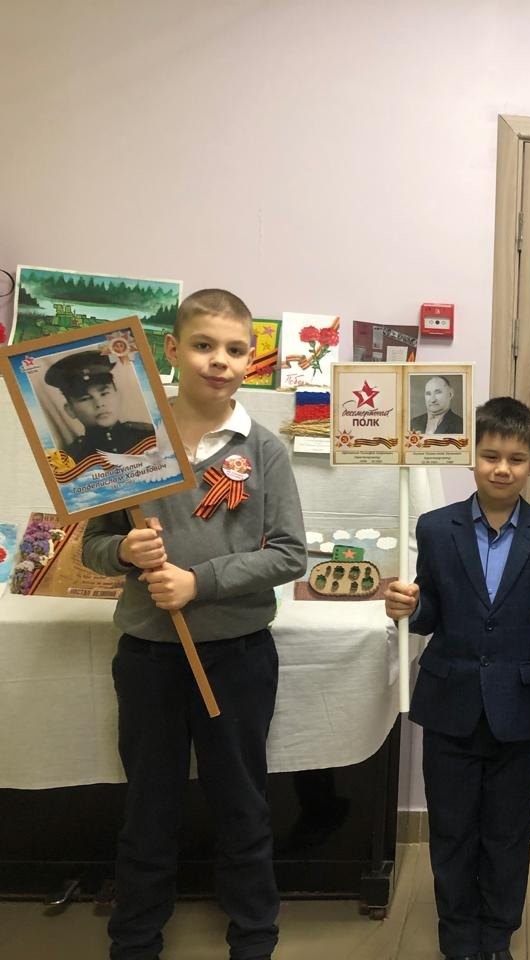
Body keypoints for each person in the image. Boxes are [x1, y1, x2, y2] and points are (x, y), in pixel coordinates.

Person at [81, 288, 307, 960]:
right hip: (150, 657)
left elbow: (288, 554)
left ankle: (254, 938)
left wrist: (197, 581)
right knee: (148, 808)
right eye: (204, 346)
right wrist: (124, 551)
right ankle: (135, 941)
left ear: (250, 360)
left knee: (242, 805)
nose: (219, 361)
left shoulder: (262, 450)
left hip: (236, 657)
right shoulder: (128, 444)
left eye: (235, 350)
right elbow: (93, 545)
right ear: (172, 350)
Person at [384, 397, 530, 960]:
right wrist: (405, 607)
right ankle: (457, 937)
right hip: (450, 704)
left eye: (515, 459)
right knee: (451, 831)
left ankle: (496, 936)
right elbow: (430, 616)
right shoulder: (435, 528)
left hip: (521, 712)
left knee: (507, 834)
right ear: (472, 456)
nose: (502, 469)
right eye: (491, 456)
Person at [44, 350, 155, 462]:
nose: (99, 404)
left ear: (118, 395)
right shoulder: (71, 459)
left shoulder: (150, 436)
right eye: (85, 399)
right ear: (70, 410)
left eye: (104, 394)